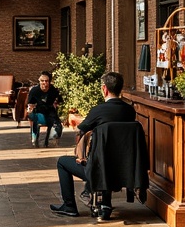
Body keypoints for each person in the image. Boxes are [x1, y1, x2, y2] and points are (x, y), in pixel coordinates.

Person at [50, 71, 137, 218]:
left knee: (62, 162)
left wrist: (81, 155)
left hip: (98, 169)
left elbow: (80, 131)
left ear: (104, 89)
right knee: (106, 156)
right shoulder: (130, 111)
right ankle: (105, 204)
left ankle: (69, 205)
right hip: (125, 168)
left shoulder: (98, 110)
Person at [27, 71, 62, 147]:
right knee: (34, 118)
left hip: (50, 111)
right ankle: (35, 138)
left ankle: (50, 140)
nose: (44, 83)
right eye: (42, 81)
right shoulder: (34, 91)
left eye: (46, 81)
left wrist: (56, 104)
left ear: (49, 82)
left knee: (57, 125)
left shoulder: (53, 90)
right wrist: (31, 110)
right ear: (39, 81)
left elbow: (59, 100)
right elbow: (30, 104)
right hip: (38, 111)